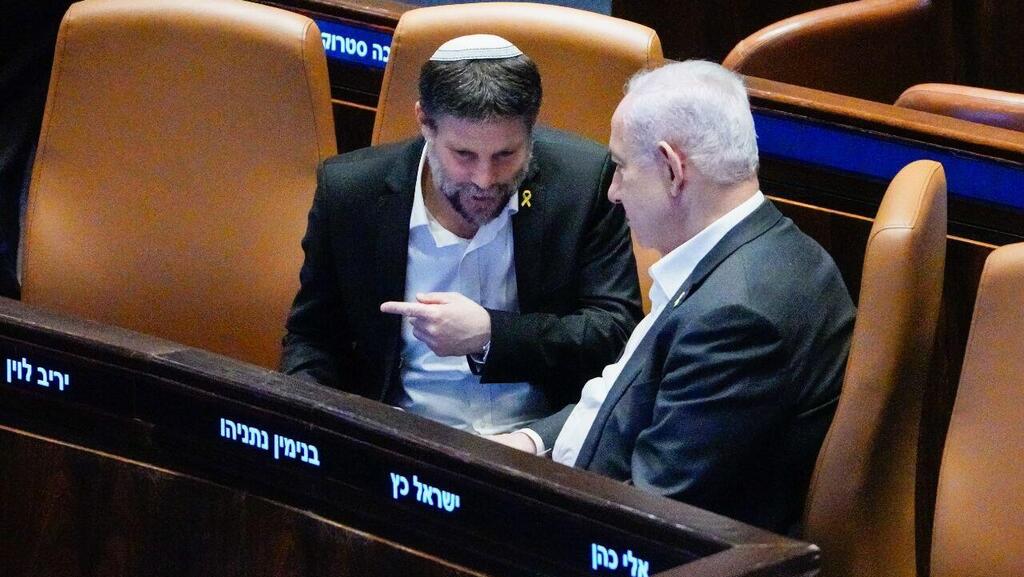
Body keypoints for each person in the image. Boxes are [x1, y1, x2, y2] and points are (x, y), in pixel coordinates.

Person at [491, 60, 856, 534]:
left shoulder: (736, 318)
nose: (613, 193)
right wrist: (530, 443)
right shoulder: (764, 250)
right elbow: (624, 398)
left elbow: (647, 519)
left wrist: (514, 508)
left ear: (671, 168)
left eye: (620, 167)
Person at [280, 34, 642, 436]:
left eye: (506, 155)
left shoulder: (583, 181)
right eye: (464, 156)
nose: (485, 181)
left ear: (531, 128)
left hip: (543, 440)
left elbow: (617, 333)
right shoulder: (350, 192)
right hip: (400, 435)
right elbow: (313, 339)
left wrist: (491, 334)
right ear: (425, 123)